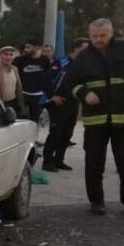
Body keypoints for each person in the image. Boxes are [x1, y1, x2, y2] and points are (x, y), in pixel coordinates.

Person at [65, 18, 124, 216]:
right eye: (94, 36)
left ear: (111, 33)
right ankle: (97, 201)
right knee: (94, 163)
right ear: (89, 35)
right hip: (95, 121)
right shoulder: (83, 57)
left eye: (102, 35)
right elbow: (70, 83)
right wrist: (84, 92)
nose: (98, 39)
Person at [42, 38, 90, 172]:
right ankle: (47, 161)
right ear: (76, 48)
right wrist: (52, 96)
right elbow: (45, 79)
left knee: (67, 133)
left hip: (73, 103)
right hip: (59, 103)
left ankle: (59, 160)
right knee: (56, 133)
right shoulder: (62, 63)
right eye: (84, 48)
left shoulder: (82, 64)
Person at [12, 38, 52, 124]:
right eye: (25, 47)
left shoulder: (45, 60)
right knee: (22, 121)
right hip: (23, 95)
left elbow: (49, 77)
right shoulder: (19, 60)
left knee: (35, 121)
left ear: (37, 48)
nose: (26, 49)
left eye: (28, 47)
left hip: (38, 96)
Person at [0, 46, 26, 115]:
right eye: (6, 54)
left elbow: (17, 88)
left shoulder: (15, 69)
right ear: (0, 56)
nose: (8, 57)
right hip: (0, 104)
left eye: (11, 55)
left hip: (14, 103)